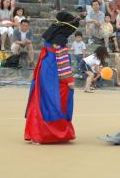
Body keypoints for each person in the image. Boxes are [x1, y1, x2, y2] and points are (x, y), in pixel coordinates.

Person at [25, 12, 81, 144]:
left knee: (41, 98)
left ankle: (36, 132)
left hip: (44, 69)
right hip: (53, 73)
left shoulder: (50, 39)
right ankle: (52, 133)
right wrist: (69, 81)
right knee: (57, 98)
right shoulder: (60, 40)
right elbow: (63, 62)